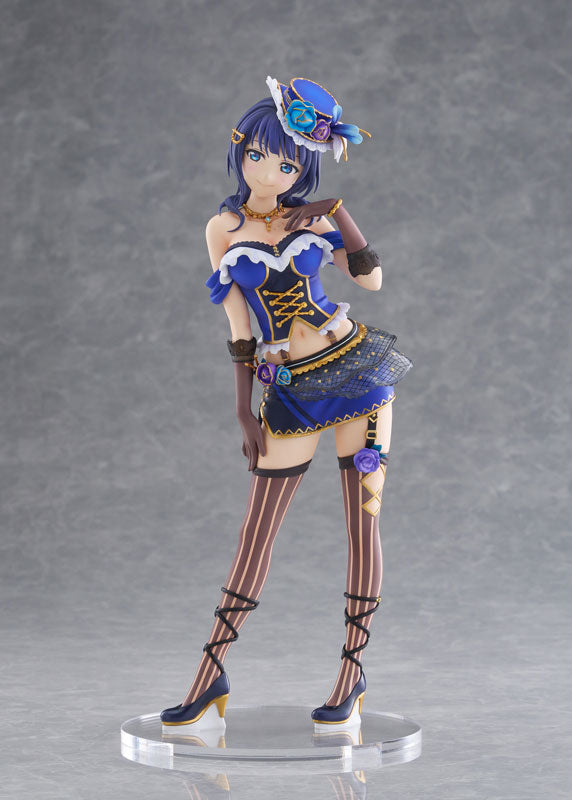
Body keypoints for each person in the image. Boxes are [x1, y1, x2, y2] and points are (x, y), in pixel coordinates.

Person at [161, 76, 413, 732]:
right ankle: (210, 672)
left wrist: (339, 213)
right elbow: (240, 327)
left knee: (363, 522)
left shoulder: (315, 219)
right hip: (290, 388)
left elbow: (372, 280)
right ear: (239, 150)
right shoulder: (222, 228)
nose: (270, 173)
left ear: (304, 167)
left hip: (356, 370)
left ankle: (352, 673)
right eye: (258, 156)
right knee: (257, 530)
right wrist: (243, 409)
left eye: (288, 164)